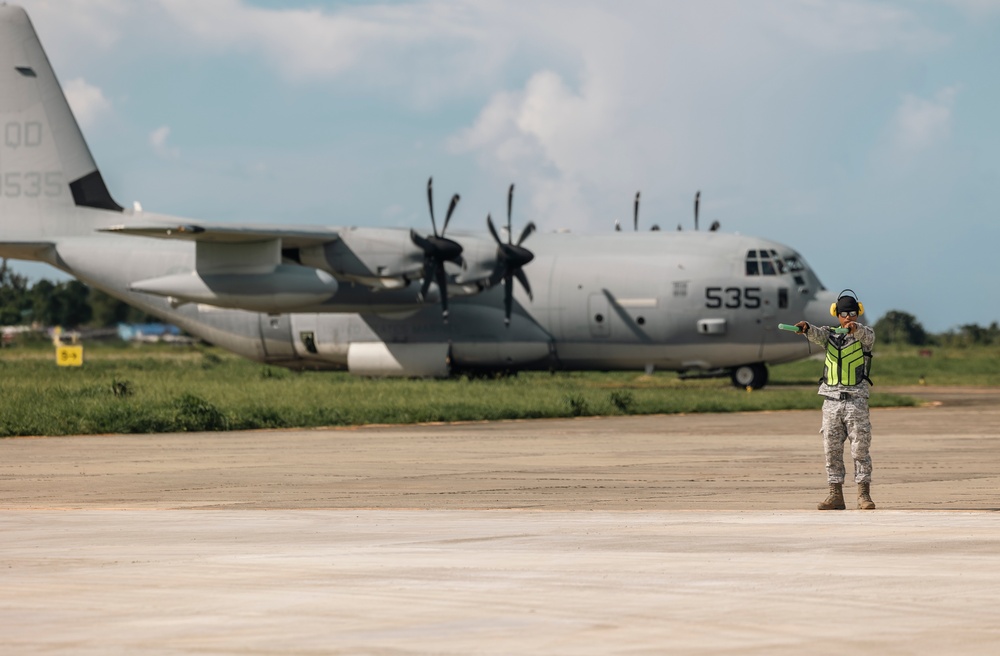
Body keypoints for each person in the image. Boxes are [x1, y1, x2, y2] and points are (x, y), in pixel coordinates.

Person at [794, 290, 876, 511]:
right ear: (836, 314)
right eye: (843, 313)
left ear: (858, 313)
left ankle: (864, 495)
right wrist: (806, 328)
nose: (848, 317)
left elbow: (867, 336)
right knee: (831, 450)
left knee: (860, 449)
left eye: (852, 313)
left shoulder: (864, 334)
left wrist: (855, 329)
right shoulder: (828, 335)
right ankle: (835, 494)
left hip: (856, 400)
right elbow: (817, 333)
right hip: (831, 401)